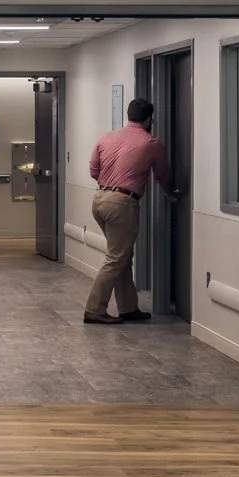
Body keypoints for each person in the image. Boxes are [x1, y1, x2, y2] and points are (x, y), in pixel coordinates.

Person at [84, 97, 176, 324]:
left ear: (129, 115)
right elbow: (163, 173)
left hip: (99, 199)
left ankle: (128, 307)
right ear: (149, 119)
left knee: (123, 255)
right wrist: (170, 192)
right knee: (116, 258)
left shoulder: (106, 137)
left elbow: (94, 170)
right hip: (122, 202)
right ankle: (94, 309)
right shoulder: (150, 143)